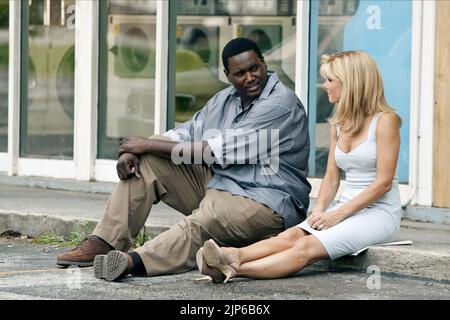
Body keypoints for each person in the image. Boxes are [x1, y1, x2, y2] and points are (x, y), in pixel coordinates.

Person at [56, 38, 311, 282]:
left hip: (265, 203)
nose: (249, 77)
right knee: (150, 159)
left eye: (254, 68)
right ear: (227, 75)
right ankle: (106, 241)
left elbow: (214, 151)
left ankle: (132, 260)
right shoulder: (225, 99)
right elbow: (187, 132)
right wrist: (137, 151)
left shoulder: (280, 104)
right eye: (240, 73)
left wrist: (145, 143)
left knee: (201, 223)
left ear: (264, 63)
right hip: (220, 185)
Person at [196, 50, 402, 283]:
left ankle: (235, 268)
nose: (324, 86)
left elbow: (383, 183)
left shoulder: (385, 121)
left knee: (306, 246)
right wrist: (320, 209)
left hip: (378, 214)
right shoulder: (340, 123)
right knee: (293, 234)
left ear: (351, 83)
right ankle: (232, 254)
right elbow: (331, 178)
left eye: (330, 80)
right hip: (344, 207)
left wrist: (338, 215)